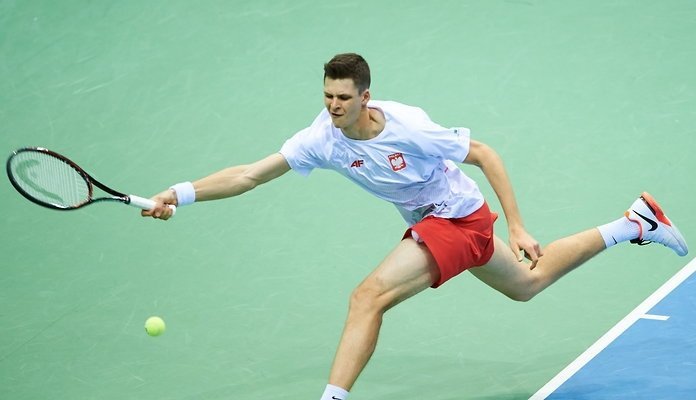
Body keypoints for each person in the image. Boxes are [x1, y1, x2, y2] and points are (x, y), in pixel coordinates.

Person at [142, 53, 689, 400]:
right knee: (528, 284)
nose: (333, 106)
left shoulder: (410, 130)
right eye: (327, 96)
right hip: (441, 220)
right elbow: (248, 175)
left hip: (457, 218)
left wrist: (518, 226)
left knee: (368, 297)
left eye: (343, 98)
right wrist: (179, 194)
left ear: (365, 97)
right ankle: (633, 223)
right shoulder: (321, 139)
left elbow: (485, 154)